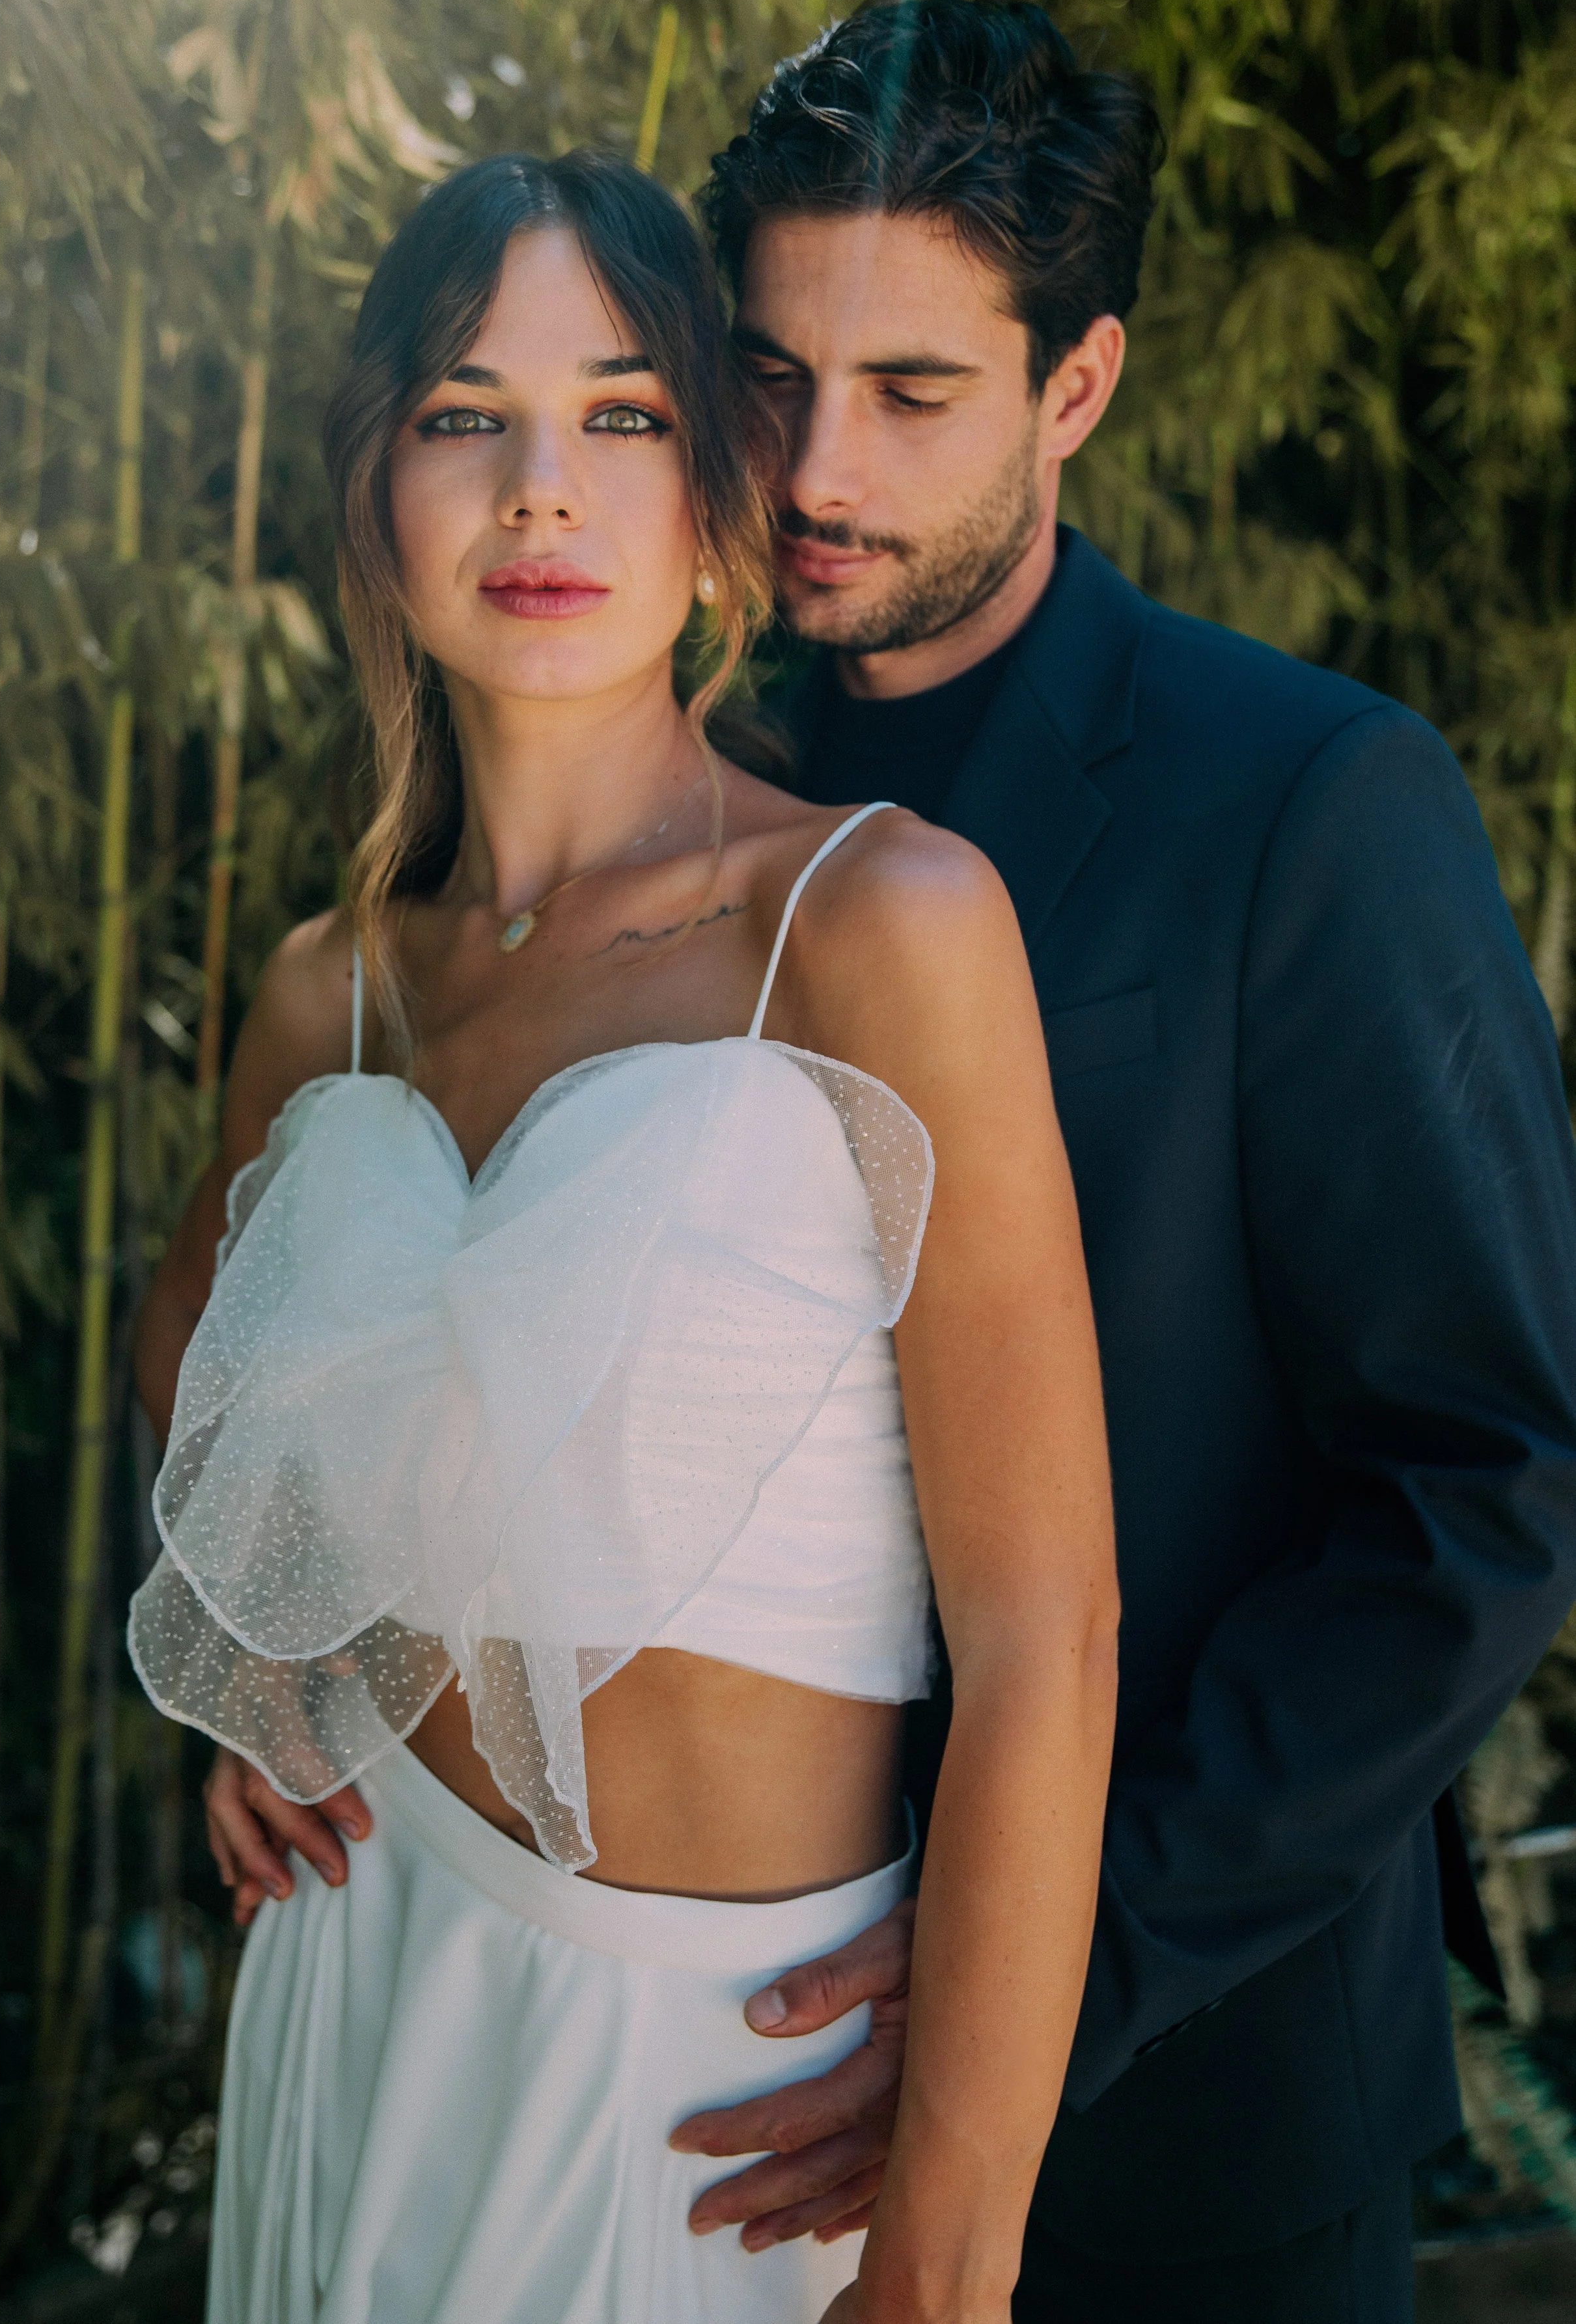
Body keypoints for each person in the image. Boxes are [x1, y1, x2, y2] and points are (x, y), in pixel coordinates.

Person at [128, 148, 1118, 2324]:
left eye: (625, 414)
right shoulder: (329, 988)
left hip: (717, 2092)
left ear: (719, 499)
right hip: (351, 1978)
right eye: (467, 413)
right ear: (378, 489)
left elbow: (1049, 1629)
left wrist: (950, 2248)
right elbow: (199, 1365)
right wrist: (267, 1655)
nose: (540, 490)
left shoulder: (878, 922)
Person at [669, 0, 1576, 2324]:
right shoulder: (641, 805)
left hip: (1177, 2113)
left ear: (1077, 386)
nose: (808, 467)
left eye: (911, 391)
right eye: (763, 378)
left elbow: (1479, 1484)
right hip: (670, 2064)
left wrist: (1023, 1979)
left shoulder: (1310, 802)